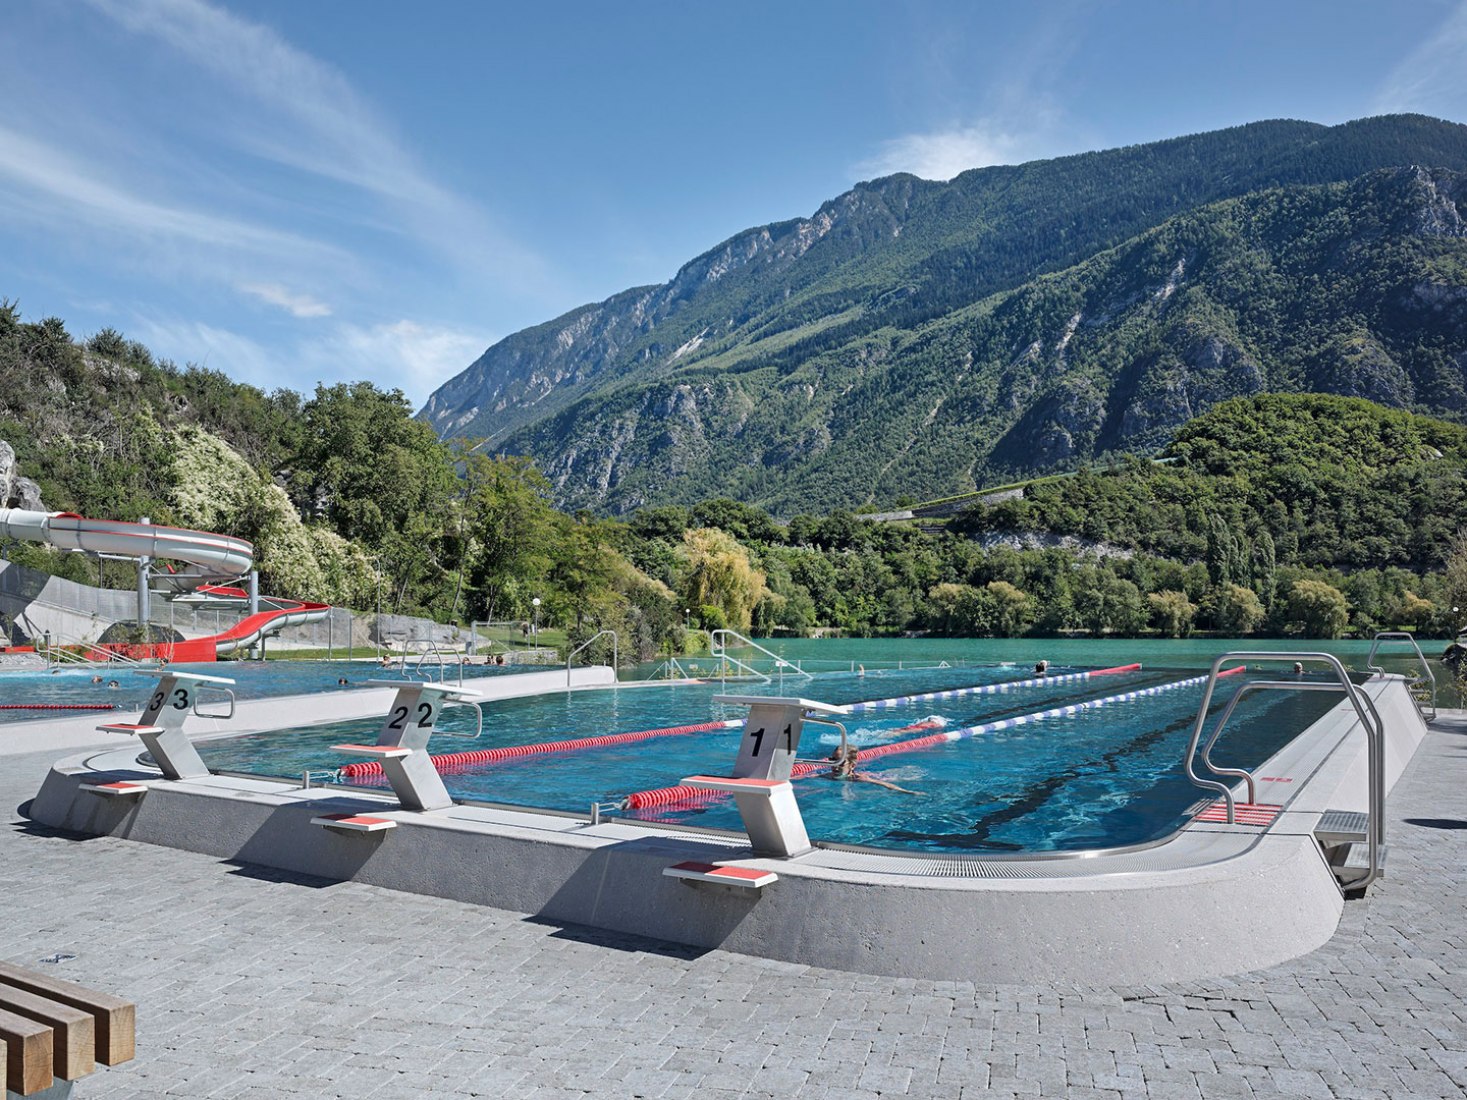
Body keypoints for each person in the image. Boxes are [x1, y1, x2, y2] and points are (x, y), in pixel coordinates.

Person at [827, 746, 923, 794]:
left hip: (883, 777)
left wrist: (908, 792)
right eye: (832, 761)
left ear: (852, 766)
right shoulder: (828, 776)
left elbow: (886, 784)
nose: (835, 766)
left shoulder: (858, 778)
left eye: (840, 763)